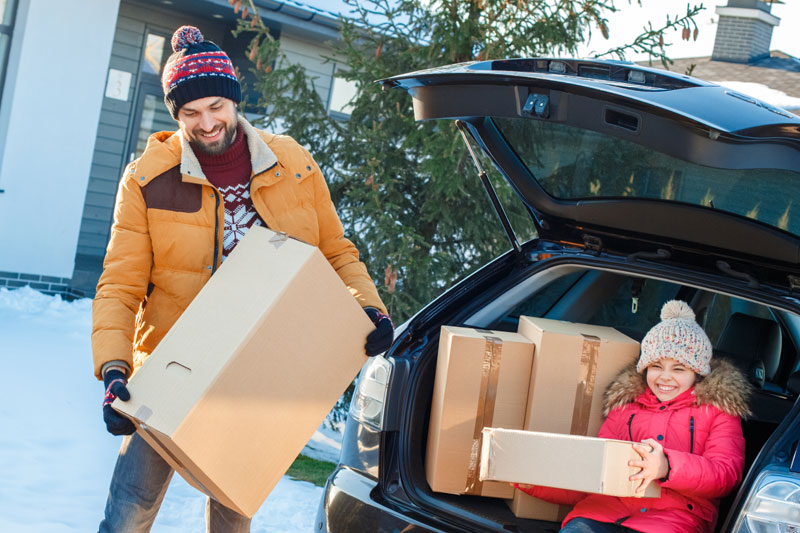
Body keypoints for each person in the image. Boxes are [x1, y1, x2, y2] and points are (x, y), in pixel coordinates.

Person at [92, 25, 393, 532]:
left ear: (234, 99)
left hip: (257, 371)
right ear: (176, 114)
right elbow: (119, 284)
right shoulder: (147, 179)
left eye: (216, 106)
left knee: (233, 516)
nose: (206, 123)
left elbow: (334, 250)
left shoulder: (292, 163)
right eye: (190, 113)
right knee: (129, 511)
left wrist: (368, 306)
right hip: (172, 365)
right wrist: (114, 370)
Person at [515, 300, 751, 533]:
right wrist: (532, 481)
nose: (665, 377)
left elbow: (725, 475)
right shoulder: (625, 407)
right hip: (603, 512)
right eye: (656, 366)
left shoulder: (718, 411)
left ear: (697, 373)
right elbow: (593, 475)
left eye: (679, 369)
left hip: (674, 519)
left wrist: (667, 467)